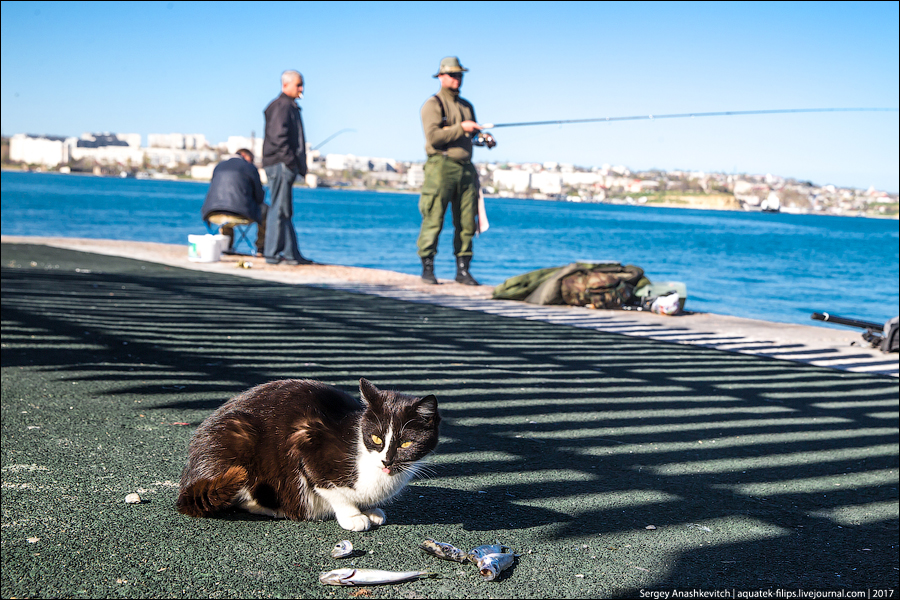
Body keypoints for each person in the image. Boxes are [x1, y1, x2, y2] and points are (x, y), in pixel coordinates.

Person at [416, 56, 492, 286]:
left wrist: (483, 138)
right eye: (453, 74)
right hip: (441, 165)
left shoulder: (467, 106)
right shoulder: (433, 104)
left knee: (467, 220)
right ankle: (428, 268)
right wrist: (461, 128)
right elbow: (434, 137)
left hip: (466, 168)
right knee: (434, 217)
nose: (457, 79)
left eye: (460, 75)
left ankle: (463, 270)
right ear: (441, 77)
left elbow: (472, 135)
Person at [262, 69, 311, 265]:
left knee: (284, 209)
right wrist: (290, 161)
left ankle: (291, 254)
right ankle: (272, 254)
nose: (301, 89)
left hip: (282, 163)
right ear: (286, 85)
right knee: (279, 209)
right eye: (298, 85)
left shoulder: (287, 106)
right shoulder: (282, 107)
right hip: (280, 164)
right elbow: (278, 137)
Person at [200, 148, 267, 255]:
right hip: (240, 215)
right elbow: (259, 198)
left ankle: (227, 246)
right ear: (246, 156)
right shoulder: (250, 167)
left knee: (226, 209)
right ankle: (261, 247)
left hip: (213, 214)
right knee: (267, 210)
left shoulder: (219, 166)